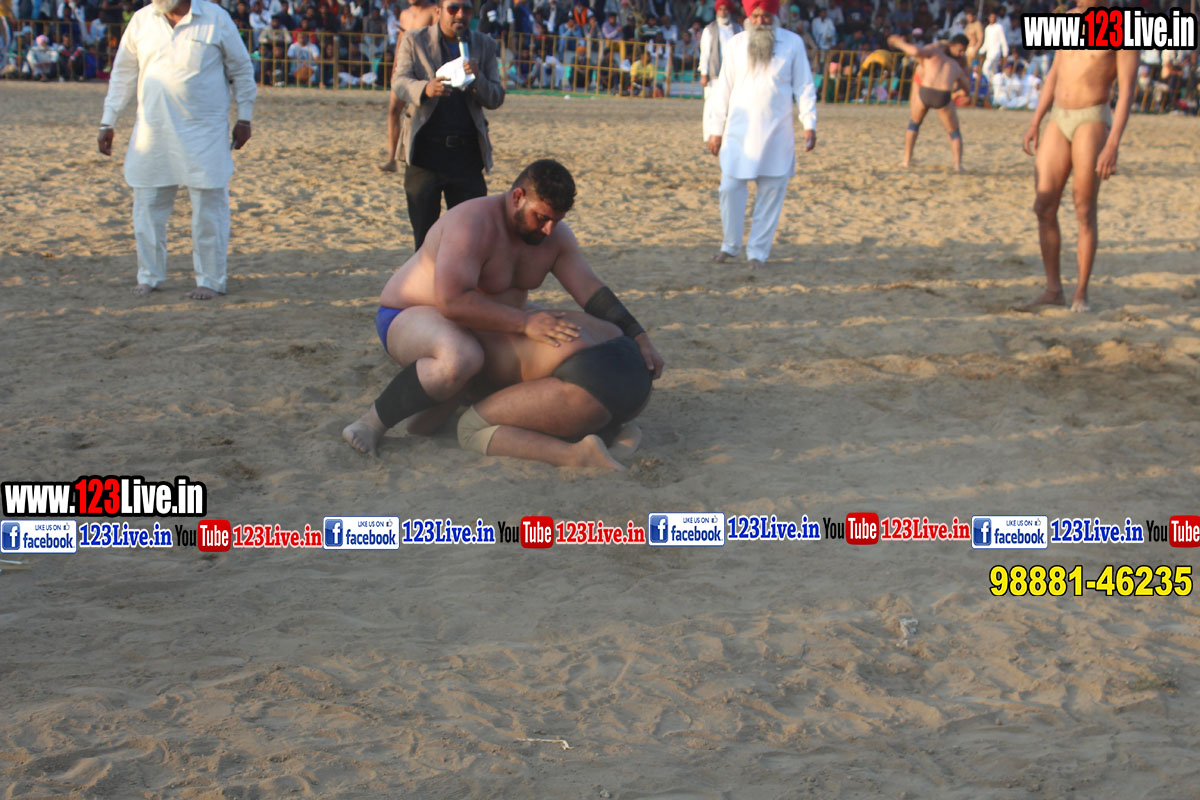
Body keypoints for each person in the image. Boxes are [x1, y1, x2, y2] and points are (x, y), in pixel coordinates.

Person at [342, 159, 664, 459]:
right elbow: (452, 302)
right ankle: (371, 423)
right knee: (463, 357)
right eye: (542, 217)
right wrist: (524, 322)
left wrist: (638, 335)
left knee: (547, 334)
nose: (549, 229)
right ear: (518, 197)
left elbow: (591, 290)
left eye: (557, 221)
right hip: (415, 312)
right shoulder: (472, 223)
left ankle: (457, 404)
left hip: (482, 316)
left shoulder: (554, 238)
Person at [98, 0, 255, 299]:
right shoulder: (142, 20)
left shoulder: (215, 18)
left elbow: (242, 69)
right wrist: (108, 120)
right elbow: (123, 73)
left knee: (209, 208)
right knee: (147, 207)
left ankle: (210, 281)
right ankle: (149, 275)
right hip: (153, 132)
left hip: (205, 132)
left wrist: (244, 117)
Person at [1016, 1, 1137, 313]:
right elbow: (1055, 74)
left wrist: (1113, 143)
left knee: (1084, 208)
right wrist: (1035, 121)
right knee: (1044, 205)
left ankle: (1081, 292)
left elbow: (1126, 91)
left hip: (1092, 117)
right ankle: (1053, 289)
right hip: (1059, 116)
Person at [703, 0, 816, 269]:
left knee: (771, 194)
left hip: (777, 134)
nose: (760, 22)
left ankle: (757, 253)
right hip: (738, 133)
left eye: (765, 16)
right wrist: (715, 130)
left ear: (774, 16)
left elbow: (804, 86)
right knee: (729, 188)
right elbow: (722, 89)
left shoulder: (792, 43)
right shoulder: (736, 44)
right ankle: (730, 245)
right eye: (755, 16)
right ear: (747, 17)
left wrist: (809, 123)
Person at [391, 0, 505, 250]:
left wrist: (478, 78)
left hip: (466, 157)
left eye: (467, 9)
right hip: (424, 154)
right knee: (425, 241)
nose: (460, 15)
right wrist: (425, 88)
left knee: (470, 239)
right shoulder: (414, 40)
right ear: (438, 11)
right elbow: (399, 82)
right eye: (453, 8)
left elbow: (496, 97)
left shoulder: (484, 45)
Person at [890, 32, 969, 170]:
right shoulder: (956, 66)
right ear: (952, 46)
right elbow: (967, 88)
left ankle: (906, 161)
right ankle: (958, 165)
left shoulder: (934, 53)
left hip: (926, 91)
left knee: (913, 124)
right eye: (960, 50)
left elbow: (915, 51)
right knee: (954, 132)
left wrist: (899, 43)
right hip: (943, 96)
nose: (962, 53)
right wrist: (959, 94)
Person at [377, 0, 436, 173]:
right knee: (394, 110)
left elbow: (436, 42)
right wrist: (395, 67)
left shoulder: (433, 12)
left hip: (424, 68)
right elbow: (401, 41)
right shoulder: (405, 14)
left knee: (425, 115)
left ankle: (423, 159)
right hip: (405, 67)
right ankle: (392, 159)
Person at [698, 0, 740, 93]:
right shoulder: (709, 29)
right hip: (715, 76)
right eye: (720, 9)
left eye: (725, 9)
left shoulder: (738, 28)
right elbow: (705, 53)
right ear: (717, 11)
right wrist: (704, 73)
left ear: (729, 11)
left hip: (734, 75)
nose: (723, 12)